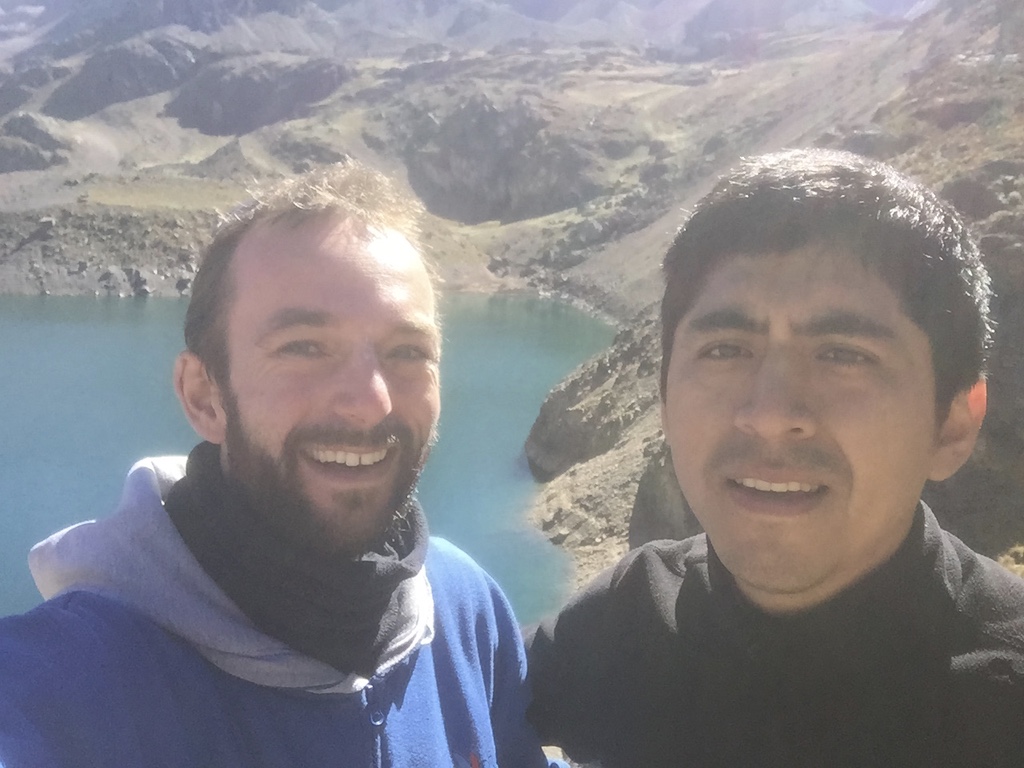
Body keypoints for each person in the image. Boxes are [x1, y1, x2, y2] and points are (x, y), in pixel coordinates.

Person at [0, 162, 557, 768]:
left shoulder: (465, 608)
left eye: (407, 351)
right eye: (304, 347)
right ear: (204, 396)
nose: (371, 401)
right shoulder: (69, 689)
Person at [526, 149, 1024, 767]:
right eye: (725, 349)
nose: (768, 412)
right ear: (664, 397)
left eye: (844, 355)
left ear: (953, 424)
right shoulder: (625, 620)